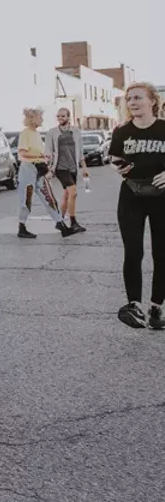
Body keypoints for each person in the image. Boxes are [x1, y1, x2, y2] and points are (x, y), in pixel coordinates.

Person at [109, 83, 165, 330]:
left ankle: (156, 308)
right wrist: (117, 165)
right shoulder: (122, 131)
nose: (131, 102)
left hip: (162, 196)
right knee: (133, 252)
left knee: (161, 254)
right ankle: (134, 306)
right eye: (129, 98)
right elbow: (114, 158)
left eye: (137, 98)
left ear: (152, 101)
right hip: (131, 194)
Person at [16, 107, 78, 239]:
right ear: (33, 119)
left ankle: (61, 225)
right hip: (28, 169)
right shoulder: (25, 133)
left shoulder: (37, 134)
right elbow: (22, 154)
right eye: (40, 117)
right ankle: (21, 227)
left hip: (40, 169)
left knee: (49, 197)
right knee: (26, 200)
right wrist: (39, 156)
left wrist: (45, 159)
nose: (42, 119)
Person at [45, 108, 88, 233]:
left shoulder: (76, 132)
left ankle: (60, 221)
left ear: (68, 117)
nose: (60, 118)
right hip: (60, 167)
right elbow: (47, 152)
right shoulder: (52, 133)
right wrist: (47, 169)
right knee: (73, 192)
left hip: (73, 167)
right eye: (58, 116)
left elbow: (80, 152)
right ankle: (73, 222)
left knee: (67, 195)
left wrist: (84, 167)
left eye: (63, 116)